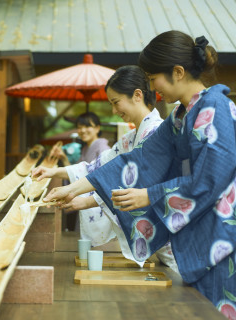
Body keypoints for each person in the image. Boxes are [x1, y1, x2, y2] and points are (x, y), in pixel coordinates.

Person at [42, 31, 236, 317]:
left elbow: (210, 180)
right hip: (198, 230)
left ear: (178, 72)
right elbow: (140, 159)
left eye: (153, 77)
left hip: (222, 231)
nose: (152, 88)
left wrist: (149, 194)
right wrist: (75, 188)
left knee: (215, 308)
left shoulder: (216, 108)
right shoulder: (180, 116)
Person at [33, 65, 178, 272]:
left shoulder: (156, 132)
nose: (113, 111)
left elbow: (132, 182)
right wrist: (52, 172)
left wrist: (79, 196)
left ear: (137, 95)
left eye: (116, 102)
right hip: (162, 243)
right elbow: (97, 167)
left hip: (175, 240)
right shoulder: (131, 138)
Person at [48, 111, 110, 232]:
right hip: (85, 205)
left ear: (97, 128)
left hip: (96, 204)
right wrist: (64, 158)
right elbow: (77, 172)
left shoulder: (103, 149)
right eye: (80, 127)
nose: (82, 130)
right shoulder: (86, 149)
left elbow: (100, 177)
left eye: (87, 126)